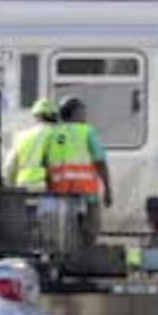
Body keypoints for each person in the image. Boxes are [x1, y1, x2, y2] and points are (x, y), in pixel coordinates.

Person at [46, 95, 113, 244]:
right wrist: (108, 189)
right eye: (82, 111)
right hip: (86, 191)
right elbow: (100, 161)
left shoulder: (52, 133)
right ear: (75, 113)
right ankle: (84, 256)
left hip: (60, 192)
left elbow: (47, 163)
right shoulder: (87, 131)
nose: (85, 115)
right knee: (91, 229)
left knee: (61, 231)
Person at [1, 98, 57, 191]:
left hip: (24, 187)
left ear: (35, 117)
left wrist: (9, 185)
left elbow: (9, 166)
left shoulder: (22, 136)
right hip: (48, 187)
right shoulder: (57, 135)